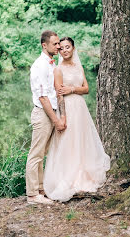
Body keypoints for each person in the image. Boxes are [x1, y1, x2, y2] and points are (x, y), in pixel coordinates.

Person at [43, 37, 110, 202]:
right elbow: (59, 96)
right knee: (68, 141)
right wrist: (63, 116)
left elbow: (86, 89)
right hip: (68, 108)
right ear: (59, 51)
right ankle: (67, 176)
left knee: (81, 139)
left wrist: (72, 89)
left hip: (80, 108)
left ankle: (83, 172)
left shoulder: (79, 66)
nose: (65, 50)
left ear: (73, 48)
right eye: (62, 48)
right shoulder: (58, 70)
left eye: (68, 47)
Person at [26, 30, 67, 205]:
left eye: (59, 43)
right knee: (35, 154)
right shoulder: (40, 65)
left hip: (51, 112)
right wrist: (56, 120)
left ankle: (41, 190)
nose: (58, 46)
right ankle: (32, 195)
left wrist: (61, 115)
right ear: (45, 45)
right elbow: (43, 97)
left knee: (43, 153)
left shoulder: (53, 63)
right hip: (43, 114)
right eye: (55, 44)